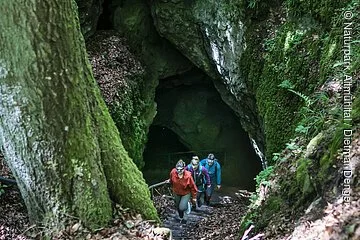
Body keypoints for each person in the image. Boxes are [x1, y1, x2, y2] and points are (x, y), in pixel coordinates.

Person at [169, 159, 198, 223]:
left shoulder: (188, 176)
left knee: (182, 207)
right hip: (176, 192)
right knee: (178, 206)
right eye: (177, 169)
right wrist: (170, 183)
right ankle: (181, 217)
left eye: (181, 169)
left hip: (186, 193)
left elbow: (193, 187)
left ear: (184, 169)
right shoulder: (173, 172)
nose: (179, 171)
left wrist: (194, 197)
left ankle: (187, 207)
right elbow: (171, 180)